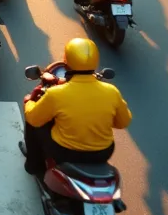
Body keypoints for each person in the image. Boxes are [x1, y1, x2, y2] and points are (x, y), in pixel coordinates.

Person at [22, 38, 132, 172]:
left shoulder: (55, 94)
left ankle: (33, 166)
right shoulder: (112, 91)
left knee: (33, 123)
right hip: (103, 152)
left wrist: (29, 102)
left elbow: (33, 119)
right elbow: (123, 122)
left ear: (66, 62)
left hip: (65, 152)